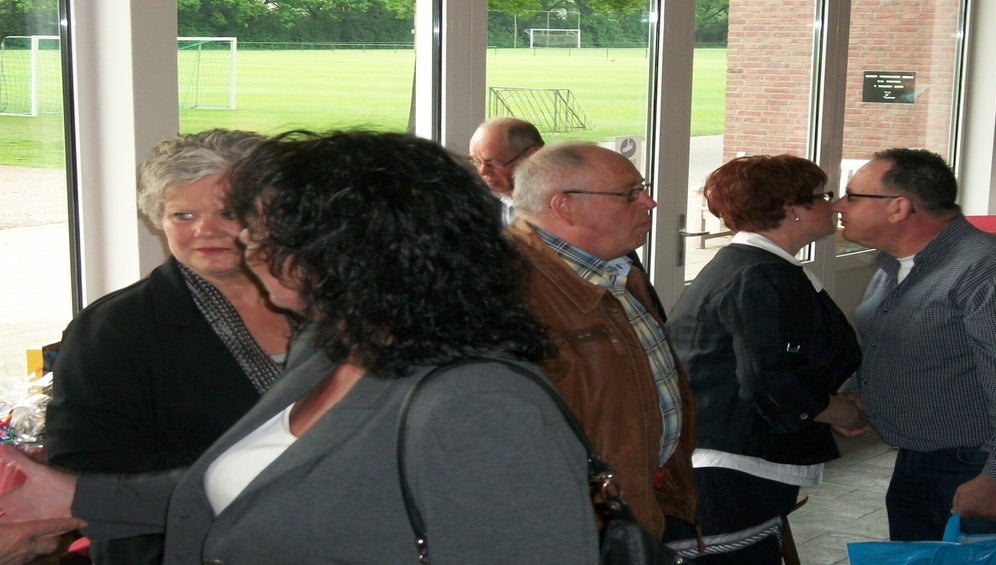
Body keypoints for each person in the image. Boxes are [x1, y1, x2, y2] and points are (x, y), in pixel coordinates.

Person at [2, 130, 598, 564]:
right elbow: (248, 483)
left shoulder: (483, 404)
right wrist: (70, 494)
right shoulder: (334, 347)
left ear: (361, 250)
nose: (247, 246)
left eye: (268, 231)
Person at [44, 129, 294, 564]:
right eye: (183, 215)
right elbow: (81, 468)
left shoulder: (324, 305)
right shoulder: (112, 329)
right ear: (157, 219)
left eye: (229, 212)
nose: (205, 230)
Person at [834, 148, 996, 540]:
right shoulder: (896, 264)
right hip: (921, 458)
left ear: (899, 207)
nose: (839, 205)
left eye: (853, 196)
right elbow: (899, 345)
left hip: (982, 464)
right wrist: (863, 397)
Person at [666, 155, 865, 563]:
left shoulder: (759, 265)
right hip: (730, 470)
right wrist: (840, 411)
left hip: (735, 460)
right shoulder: (759, 274)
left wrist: (823, 408)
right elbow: (771, 380)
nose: (834, 205)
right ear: (791, 210)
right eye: (823, 196)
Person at [508, 140, 698, 541]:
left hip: (632, 512)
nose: (649, 202)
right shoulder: (513, 292)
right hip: (578, 531)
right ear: (565, 206)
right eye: (630, 194)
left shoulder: (614, 271)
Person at [467, 116, 545, 224]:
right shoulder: (480, 197)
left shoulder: (554, 206)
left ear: (532, 156)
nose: (482, 172)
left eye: (492, 164)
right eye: (476, 161)